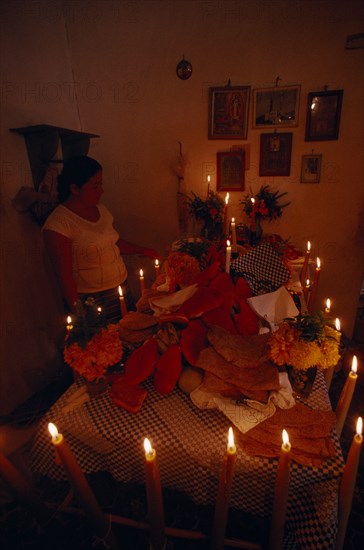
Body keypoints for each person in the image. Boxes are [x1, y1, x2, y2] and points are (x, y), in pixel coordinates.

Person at [43, 155, 158, 323]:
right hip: (93, 300)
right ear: (75, 189)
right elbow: (64, 276)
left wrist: (141, 250)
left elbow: (112, 241)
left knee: (131, 335)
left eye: (101, 184)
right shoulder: (59, 224)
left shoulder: (100, 209)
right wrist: (82, 316)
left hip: (120, 287)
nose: (101, 191)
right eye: (95, 186)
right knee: (108, 345)